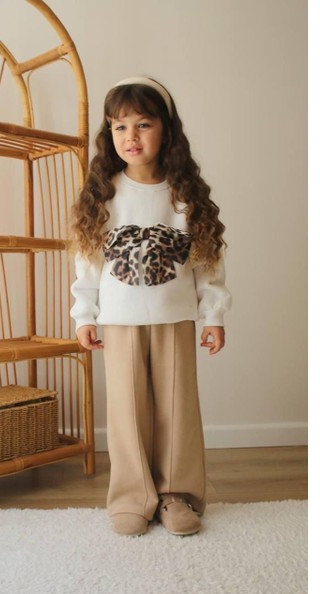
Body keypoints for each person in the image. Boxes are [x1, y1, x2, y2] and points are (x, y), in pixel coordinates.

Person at [69, 76, 232, 537]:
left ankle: (176, 494)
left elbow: (207, 261)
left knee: (177, 411)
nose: (131, 137)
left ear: (166, 130)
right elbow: (88, 262)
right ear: (109, 134)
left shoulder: (183, 196)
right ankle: (131, 496)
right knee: (126, 411)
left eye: (143, 124)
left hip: (175, 317)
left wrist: (213, 315)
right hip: (119, 321)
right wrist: (84, 315)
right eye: (119, 127)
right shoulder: (104, 195)